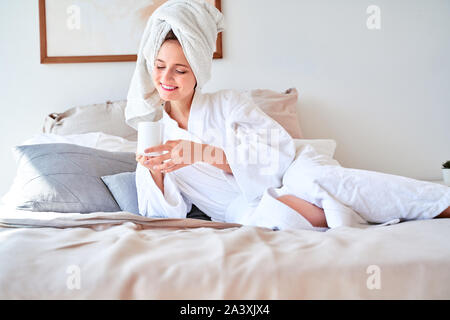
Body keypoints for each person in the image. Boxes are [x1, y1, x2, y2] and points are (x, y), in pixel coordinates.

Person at [127, 0, 450, 231]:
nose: (166, 78)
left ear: (197, 72)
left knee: (319, 181)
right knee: (269, 220)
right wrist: (154, 171)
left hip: (294, 172)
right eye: (159, 67)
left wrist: (203, 153)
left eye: (180, 70)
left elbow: (277, 155)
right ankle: (361, 213)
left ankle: (440, 202)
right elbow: (161, 215)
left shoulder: (228, 103)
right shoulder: (155, 134)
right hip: (246, 209)